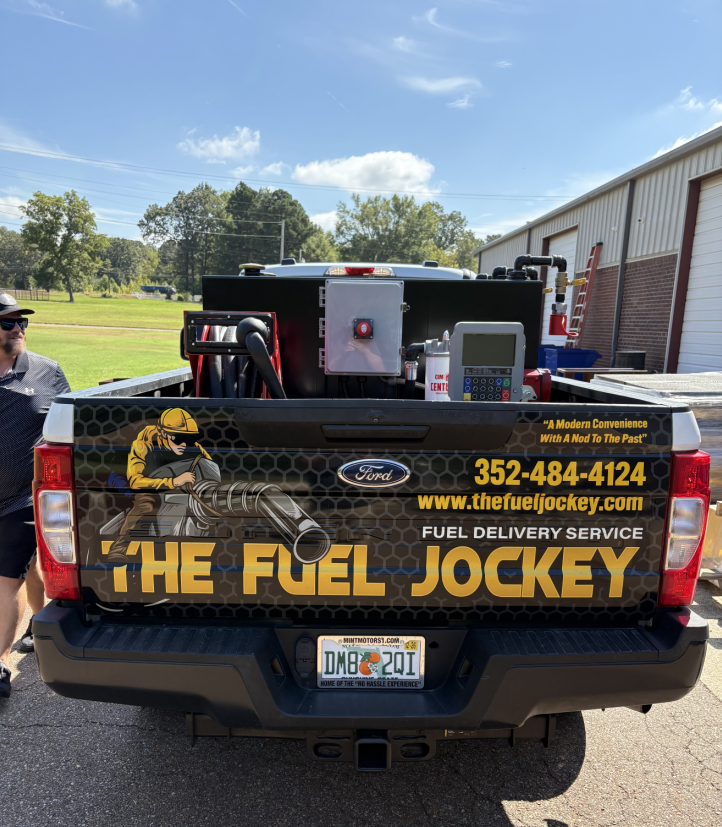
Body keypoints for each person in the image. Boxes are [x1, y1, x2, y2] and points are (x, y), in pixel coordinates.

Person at [0, 292, 70, 699]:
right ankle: (40, 628)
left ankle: (1, 662)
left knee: (6, 580)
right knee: (28, 571)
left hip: (22, 500)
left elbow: (69, 426)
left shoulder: (46, 372)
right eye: (7, 322)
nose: (18, 329)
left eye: (21, 321)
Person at [106, 408, 210, 564]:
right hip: (127, 480)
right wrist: (173, 482)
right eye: (178, 438)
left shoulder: (193, 446)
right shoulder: (143, 443)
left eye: (188, 439)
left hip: (167, 479)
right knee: (146, 503)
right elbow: (135, 481)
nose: (184, 444)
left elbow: (210, 465)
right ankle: (119, 547)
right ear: (163, 433)